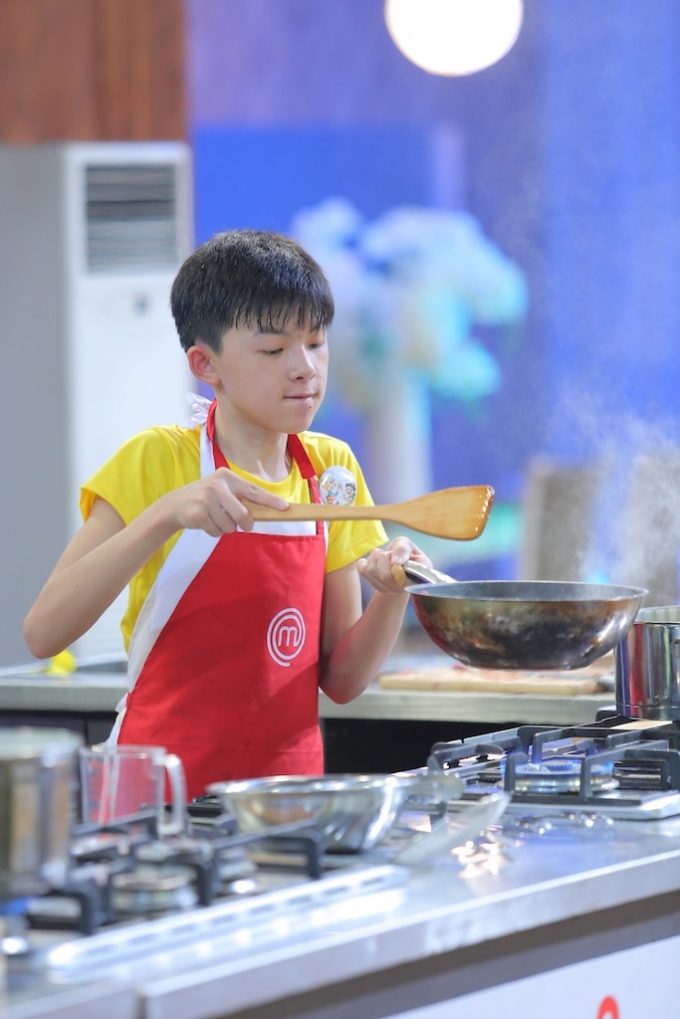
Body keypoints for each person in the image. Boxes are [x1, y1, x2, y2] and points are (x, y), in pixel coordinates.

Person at [23, 229, 432, 800]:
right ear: (205, 363)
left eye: (316, 343)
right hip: (157, 798)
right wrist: (165, 514)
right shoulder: (159, 458)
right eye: (273, 350)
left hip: (285, 802)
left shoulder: (331, 470)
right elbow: (43, 633)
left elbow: (342, 680)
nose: (305, 368)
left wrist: (391, 594)